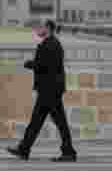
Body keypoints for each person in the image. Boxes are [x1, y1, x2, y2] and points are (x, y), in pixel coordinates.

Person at [7, 19, 78, 162]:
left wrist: (28, 63)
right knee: (38, 121)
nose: (38, 30)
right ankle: (24, 149)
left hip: (49, 91)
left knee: (57, 122)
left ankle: (68, 152)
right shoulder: (52, 43)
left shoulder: (51, 44)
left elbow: (43, 65)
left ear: (48, 28)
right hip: (49, 90)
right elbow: (45, 65)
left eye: (41, 27)